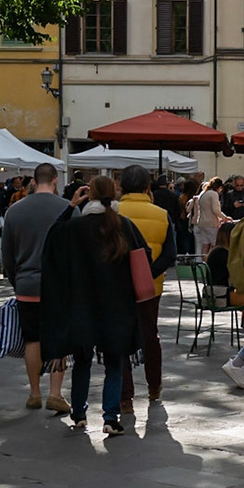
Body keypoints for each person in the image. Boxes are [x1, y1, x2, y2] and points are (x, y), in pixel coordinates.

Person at [39, 175, 149, 437]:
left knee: (82, 361)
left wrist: (69, 206)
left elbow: (51, 241)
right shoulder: (124, 225)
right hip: (116, 305)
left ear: (89, 195)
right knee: (114, 361)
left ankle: (78, 414)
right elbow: (146, 256)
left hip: (81, 305)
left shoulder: (74, 228)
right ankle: (111, 417)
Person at [0, 162, 72, 413]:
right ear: (54, 181)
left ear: (33, 180)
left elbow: (6, 254)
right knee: (59, 340)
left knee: (32, 339)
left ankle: (34, 392)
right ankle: (55, 393)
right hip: (59, 286)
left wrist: (14, 278)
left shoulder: (15, 211)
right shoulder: (67, 208)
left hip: (26, 283)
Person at [114, 164, 177, 407]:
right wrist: (148, 274)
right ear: (147, 187)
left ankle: (125, 397)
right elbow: (170, 254)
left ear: (122, 186)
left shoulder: (113, 213)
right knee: (150, 335)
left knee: (120, 338)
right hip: (151, 287)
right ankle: (154, 386)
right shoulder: (161, 214)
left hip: (118, 287)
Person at [194, 177, 224, 257]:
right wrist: (224, 217)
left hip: (201, 223)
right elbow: (215, 210)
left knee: (205, 246)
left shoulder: (203, 193)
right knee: (214, 245)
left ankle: (204, 264)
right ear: (219, 187)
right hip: (211, 223)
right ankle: (212, 263)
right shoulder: (213, 194)